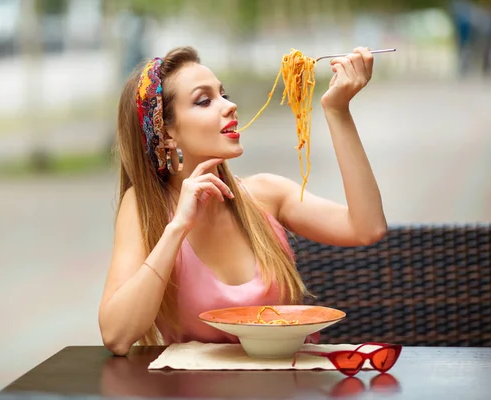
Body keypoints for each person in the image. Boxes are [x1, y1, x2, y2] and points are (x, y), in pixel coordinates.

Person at [99, 46, 387, 356]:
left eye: (224, 94)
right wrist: (178, 227)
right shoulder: (145, 208)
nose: (230, 106)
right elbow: (116, 336)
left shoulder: (267, 194)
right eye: (204, 101)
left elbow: (367, 228)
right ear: (166, 133)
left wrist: (337, 110)